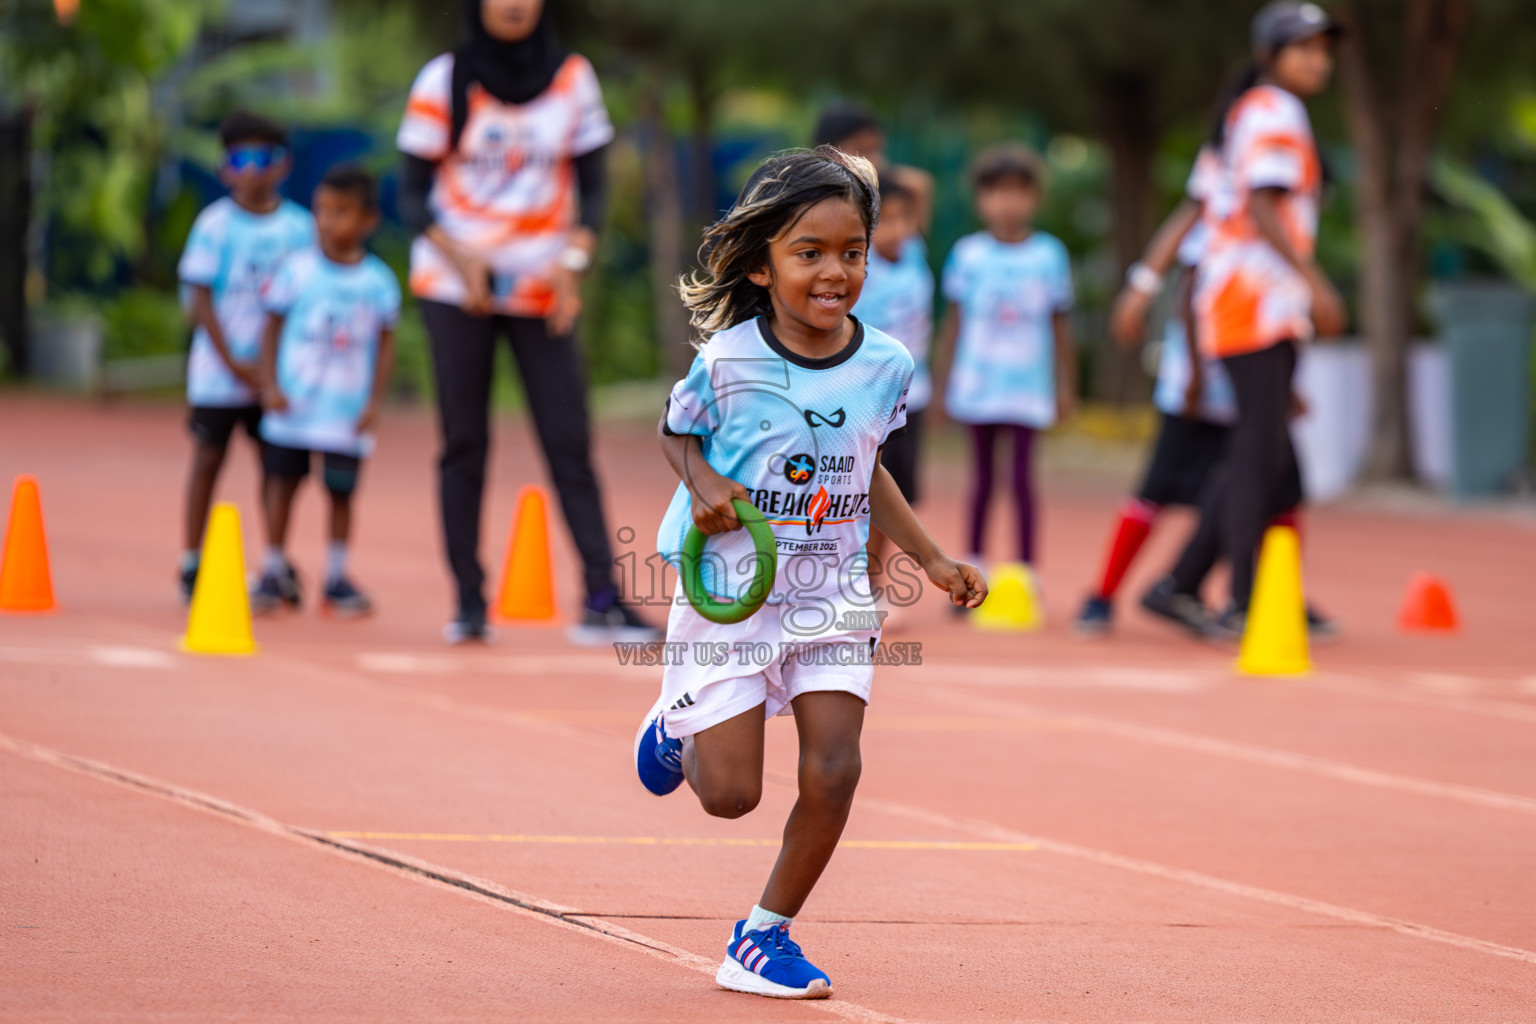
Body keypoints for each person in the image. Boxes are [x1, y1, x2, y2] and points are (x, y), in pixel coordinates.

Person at [634, 148, 985, 999]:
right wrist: (706, 483)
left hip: (830, 595)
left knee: (836, 767)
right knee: (729, 798)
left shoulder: (887, 365)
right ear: (763, 263)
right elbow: (676, 432)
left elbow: (867, 467)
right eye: (810, 253)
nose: (836, 272)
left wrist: (931, 558)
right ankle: (676, 720)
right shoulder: (729, 360)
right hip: (730, 592)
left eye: (852, 252)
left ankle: (763, 936)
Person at [395, 0, 656, 644]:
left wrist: (574, 261)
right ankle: (469, 602)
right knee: (464, 443)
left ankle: (602, 598)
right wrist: (462, 259)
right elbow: (407, 193)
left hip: (544, 286)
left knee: (569, 440)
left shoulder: (572, 78)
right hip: (458, 288)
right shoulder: (442, 79)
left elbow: (594, 189)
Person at [1156, 1, 1345, 638]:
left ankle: (1183, 583)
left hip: (1252, 304)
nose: (1319, 60)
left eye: (1324, 49)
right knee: (1258, 458)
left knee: (1265, 460)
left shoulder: (1256, 111)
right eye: (1305, 47)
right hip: (1254, 303)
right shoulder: (1274, 110)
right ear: (1271, 54)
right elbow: (1263, 205)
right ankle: (1239, 600)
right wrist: (1315, 281)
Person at [176, 111, 313, 603]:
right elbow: (201, 299)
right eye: (241, 159)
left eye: (264, 158)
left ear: (284, 165)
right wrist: (233, 361)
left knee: (278, 468)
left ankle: (274, 562)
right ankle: (192, 561)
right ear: (225, 167)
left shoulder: (300, 229)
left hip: (277, 378)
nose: (253, 169)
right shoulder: (214, 225)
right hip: (219, 374)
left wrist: (277, 368)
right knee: (208, 459)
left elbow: (308, 297)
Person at [252, 166, 399, 618]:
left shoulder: (377, 281)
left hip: (344, 409)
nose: (328, 221)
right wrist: (269, 385)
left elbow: (386, 342)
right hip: (295, 404)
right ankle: (274, 567)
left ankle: (336, 576)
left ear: (368, 220)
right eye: (321, 211)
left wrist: (375, 400)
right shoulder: (295, 272)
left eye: (341, 212)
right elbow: (271, 329)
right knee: (281, 484)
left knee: (341, 492)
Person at [936, 144, 1076, 591]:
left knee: (1020, 477)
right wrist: (941, 385)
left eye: (1018, 192)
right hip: (977, 382)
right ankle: (973, 563)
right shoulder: (968, 254)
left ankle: (1024, 570)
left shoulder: (1048, 255)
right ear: (981, 199)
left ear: (1034, 198)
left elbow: (1060, 324)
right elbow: (953, 323)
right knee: (980, 478)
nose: (1007, 203)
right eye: (997, 193)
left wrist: (1065, 385)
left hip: (1027, 385)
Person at [849, 178, 934, 628]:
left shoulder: (916, 253)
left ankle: (872, 584)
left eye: (905, 218)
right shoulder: (862, 267)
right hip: (867, 400)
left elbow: (922, 186)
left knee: (894, 495)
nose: (898, 228)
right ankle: (852, 582)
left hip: (912, 399)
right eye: (887, 221)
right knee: (860, 495)